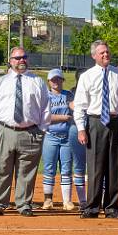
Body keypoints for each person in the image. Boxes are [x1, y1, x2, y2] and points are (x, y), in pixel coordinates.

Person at [0, 47, 50, 217]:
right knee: (2, 168)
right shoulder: (1, 82)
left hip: (30, 132)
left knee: (27, 171)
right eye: (17, 58)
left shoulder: (37, 81)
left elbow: (45, 109)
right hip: (5, 130)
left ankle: (24, 204)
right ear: (10, 61)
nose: (22, 60)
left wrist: (41, 130)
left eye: (24, 57)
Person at [73, 40, 118, 219]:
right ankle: (92, 207)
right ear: (94, 56)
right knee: (95, 166)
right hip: (95, 122)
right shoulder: (87, 76)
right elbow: (80, 106)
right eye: (102, 53)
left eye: (107, 52)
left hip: (115, 122)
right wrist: (81, 129)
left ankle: (112, 208)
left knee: (114, 167)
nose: (106, 55)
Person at [41, 68, 75, 211]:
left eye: (58, 79)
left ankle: (67, 201)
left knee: (66, 169)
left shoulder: (68, 95)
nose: (55, 81)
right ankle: (48, 200)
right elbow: (44, 117)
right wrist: (63, 117)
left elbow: (76, 110)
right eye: (52, 79)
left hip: (67, 137)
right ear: (48, 82)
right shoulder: (45, 97)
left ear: (62, 80)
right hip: (50, 136)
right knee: (49, 168)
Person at [68, 68, 88, 210]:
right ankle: (82, 201)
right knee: (79, 166)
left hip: (94, 129)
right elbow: (74, 106)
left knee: (96, 166)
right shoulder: (72, 92)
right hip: (77, 129)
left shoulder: (94, 91)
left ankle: (96, 199)